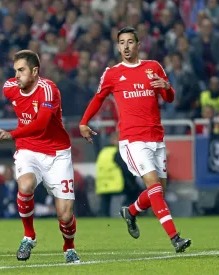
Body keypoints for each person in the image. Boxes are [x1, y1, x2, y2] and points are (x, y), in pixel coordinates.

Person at [79, 27, 192, 253]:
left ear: (139, 45)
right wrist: (84, 122)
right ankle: (175, 237)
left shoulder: (153, 67)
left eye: (131, 41)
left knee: (158, 189)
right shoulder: (112, 73)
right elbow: (98, 98)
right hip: (132, 140)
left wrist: (168, 88)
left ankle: (130, 212)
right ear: (118, 46)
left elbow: (169, 98)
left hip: (156, 137)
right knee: (154, 187)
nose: (126, 46)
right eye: (122, 42)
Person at [0, 50, 80, 264]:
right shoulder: (10, 88)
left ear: (35, 71)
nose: (16, 76)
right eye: (15, 71)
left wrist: (11, 134)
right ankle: (29, 236)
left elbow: (42, 124)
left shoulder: (49, 90)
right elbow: (7, 92)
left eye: (21, 71)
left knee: (65, 216)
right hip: (28, 149)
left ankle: (69, 247)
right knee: (26, 185)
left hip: (57, 154)